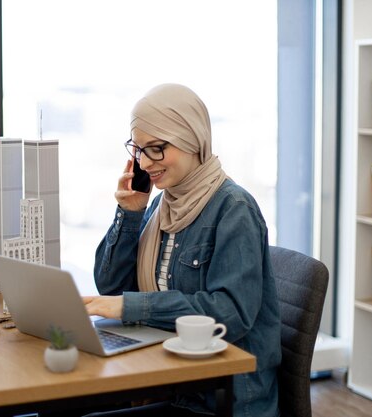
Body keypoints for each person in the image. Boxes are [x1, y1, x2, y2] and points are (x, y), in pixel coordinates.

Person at [82, 83, 281, 416]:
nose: (144, 163)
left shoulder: (234, 209)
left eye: (156, 148)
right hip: (171, 379)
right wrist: (130, 213)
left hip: (219, 398)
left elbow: (229, 313)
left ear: (192, 141)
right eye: (138, 149)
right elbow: (112, 288)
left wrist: (130, 307)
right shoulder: (162, 205)